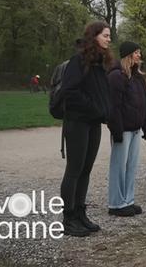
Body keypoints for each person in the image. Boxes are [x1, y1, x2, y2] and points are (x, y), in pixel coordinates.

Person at [59, 21, 112, 237]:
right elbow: (70, 91)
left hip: (93, 122)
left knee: (86, 170)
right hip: (77, 122)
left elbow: (100, 93)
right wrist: (94, 109)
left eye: (109, 36)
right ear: (94, 36)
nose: (109, 39)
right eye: (106, 35)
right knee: (74, 170)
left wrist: (103, 111)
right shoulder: (78, 60)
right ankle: (68, 218)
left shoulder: (100, 62)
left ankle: (81, 214)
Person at [106, 41, 146, 217]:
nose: (139, 55)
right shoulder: (117, 76)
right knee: (118, 166)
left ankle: (128, 200)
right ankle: (116, 203)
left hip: (135, 128)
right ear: (128, 55)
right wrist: (116, 129)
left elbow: (144, 103)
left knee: (131, 165)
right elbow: (114, 106)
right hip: (122, 129)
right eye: (137, 52)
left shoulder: (137, 77)